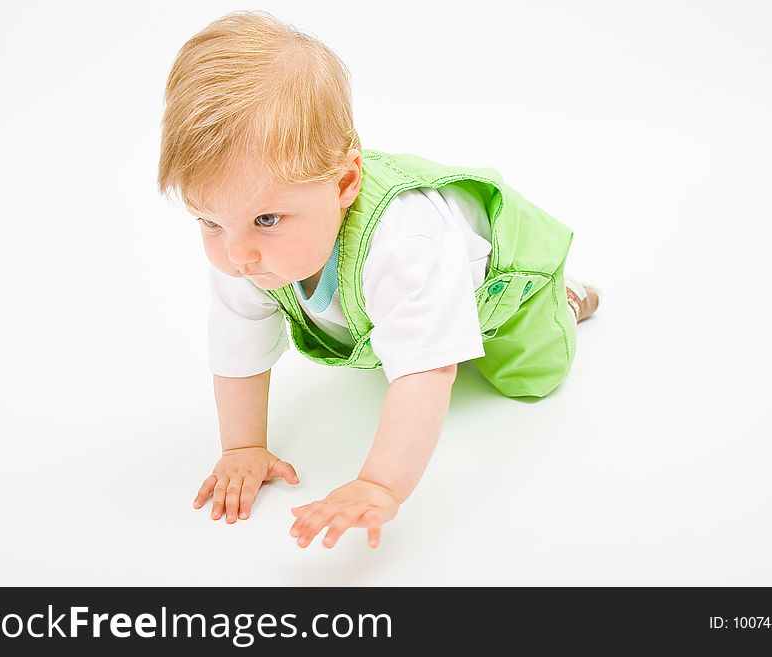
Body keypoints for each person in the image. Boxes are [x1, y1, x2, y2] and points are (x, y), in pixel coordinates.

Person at [157, 10, 601, 550]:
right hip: (410, 285)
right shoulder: (246, 241)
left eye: (267, 220)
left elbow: (429, 373)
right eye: (209, 221)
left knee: (529, 380)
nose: (237, 253)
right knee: (396, 339)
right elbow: (239, 349)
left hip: (504, 276)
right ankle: (411, 320)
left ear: (344, 182)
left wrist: (379, 484)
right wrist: (242, 448)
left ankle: (566, 296)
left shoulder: (405, 245)